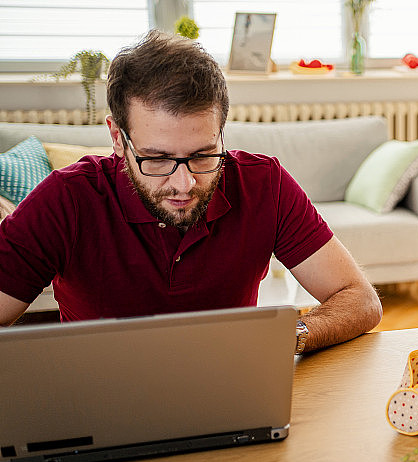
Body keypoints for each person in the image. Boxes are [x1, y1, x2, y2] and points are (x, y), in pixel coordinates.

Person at [0, 30, 382, 354]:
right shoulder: (66, 198)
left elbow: (359, 299)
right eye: (157, 159)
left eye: (202, 155)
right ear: (117, 138)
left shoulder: (264, 183)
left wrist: (288, 337)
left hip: (231, 401)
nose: (184, 185)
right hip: (97, 409)